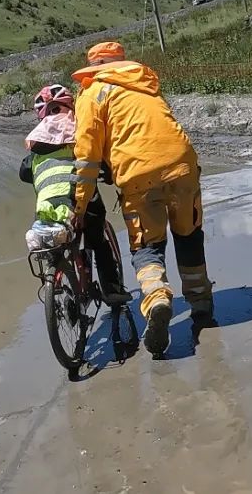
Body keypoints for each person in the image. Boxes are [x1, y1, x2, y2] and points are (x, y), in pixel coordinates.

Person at [71, 42, 214, 356]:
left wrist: (79, 207)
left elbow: (86, 158)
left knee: (147, 248)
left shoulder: (92, 94)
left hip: (138, 176)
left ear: (93, 68)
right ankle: (201, 303)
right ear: (122, 63)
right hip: (181, 164)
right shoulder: (145, 85)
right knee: (189, 235)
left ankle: (157, 298)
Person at [19, 84, 129, 306]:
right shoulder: (78, 130)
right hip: (81, 201)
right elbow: (97, 159)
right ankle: (111, 289)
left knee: (54, 244)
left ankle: (59, 279)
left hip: (48, 208)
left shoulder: (37, 144)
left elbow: (24, 173)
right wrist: (107, 175)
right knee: (97, 239)